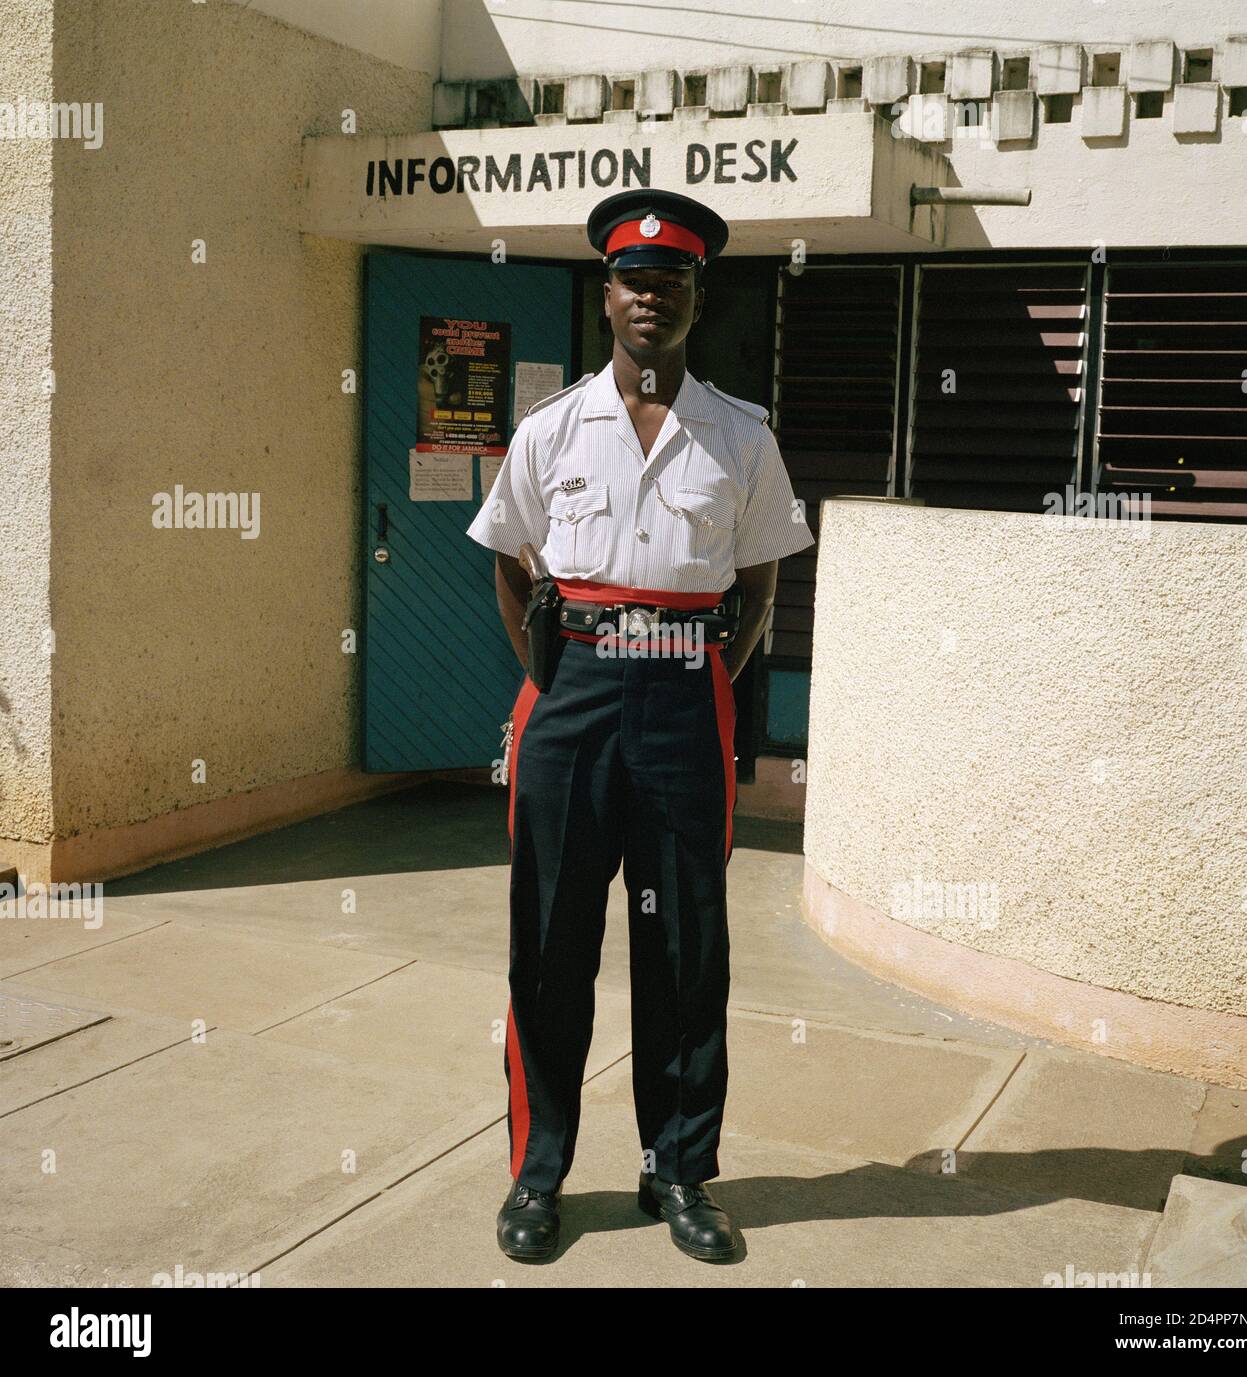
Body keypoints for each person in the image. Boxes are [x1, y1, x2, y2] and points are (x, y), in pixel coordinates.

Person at [465, 187, 815, 1264]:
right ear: (606, 296)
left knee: (683, 949)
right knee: (549, 947)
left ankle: (679, 1173)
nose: (649, 299)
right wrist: (559, 677)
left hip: (682, 702)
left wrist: (701, 677)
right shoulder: (549, 429)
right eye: (632, 282)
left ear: (694, 299)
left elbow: (756, 586)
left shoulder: (741, 437)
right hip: (569, 702)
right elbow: (509, 565)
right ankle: (538, 1174)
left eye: (670, 284)